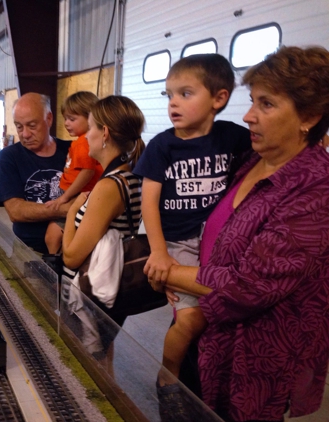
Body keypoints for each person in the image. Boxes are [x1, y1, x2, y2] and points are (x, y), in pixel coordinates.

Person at [150, 46, 329, 421]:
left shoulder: (314, 190)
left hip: (249, 356)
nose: (248, 116)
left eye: (266, 104)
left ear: (309, 116)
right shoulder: (250, 161)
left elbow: (250, 286)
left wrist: (167, 271)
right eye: (251, 101)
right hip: (202, 321)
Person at [132, 54, 251, 392]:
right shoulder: (162, 146)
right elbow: (149, 203)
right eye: (169, 95)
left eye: (185, 94)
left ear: (219, 98)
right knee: (191, 318)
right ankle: (168, 374)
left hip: (216, 239)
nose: (173, 103)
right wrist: (158, 251)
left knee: (219, 312)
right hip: (176, 240)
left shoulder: (233, 138)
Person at [62, 95, 145, 369]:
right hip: (106, 290)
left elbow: (72, 257)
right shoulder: (130, 177)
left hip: (90, 297)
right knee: (102, 359)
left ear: (105, 133)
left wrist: (74, 210)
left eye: (91, 127)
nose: (86, 135)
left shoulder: (110, 186)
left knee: (88, 368)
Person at [0, 92, 72, 254]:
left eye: (32, 126)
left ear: (49, 119)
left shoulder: (72, 151)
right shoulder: (9, 157)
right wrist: (68, 209)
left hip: (73, 249)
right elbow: (16, 211)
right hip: (29, 253)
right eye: (19, 127)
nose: (25, 134)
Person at [44, 91, 103, 254]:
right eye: (65, 118)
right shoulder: (81, 142)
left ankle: (56, 269)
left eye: (72, 119)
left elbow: (87, 172)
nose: (66, 123)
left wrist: (65, 197)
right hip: (75, 194)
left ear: (90, 118)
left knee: (52, 236)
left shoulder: (85, 143)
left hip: (78, 195)